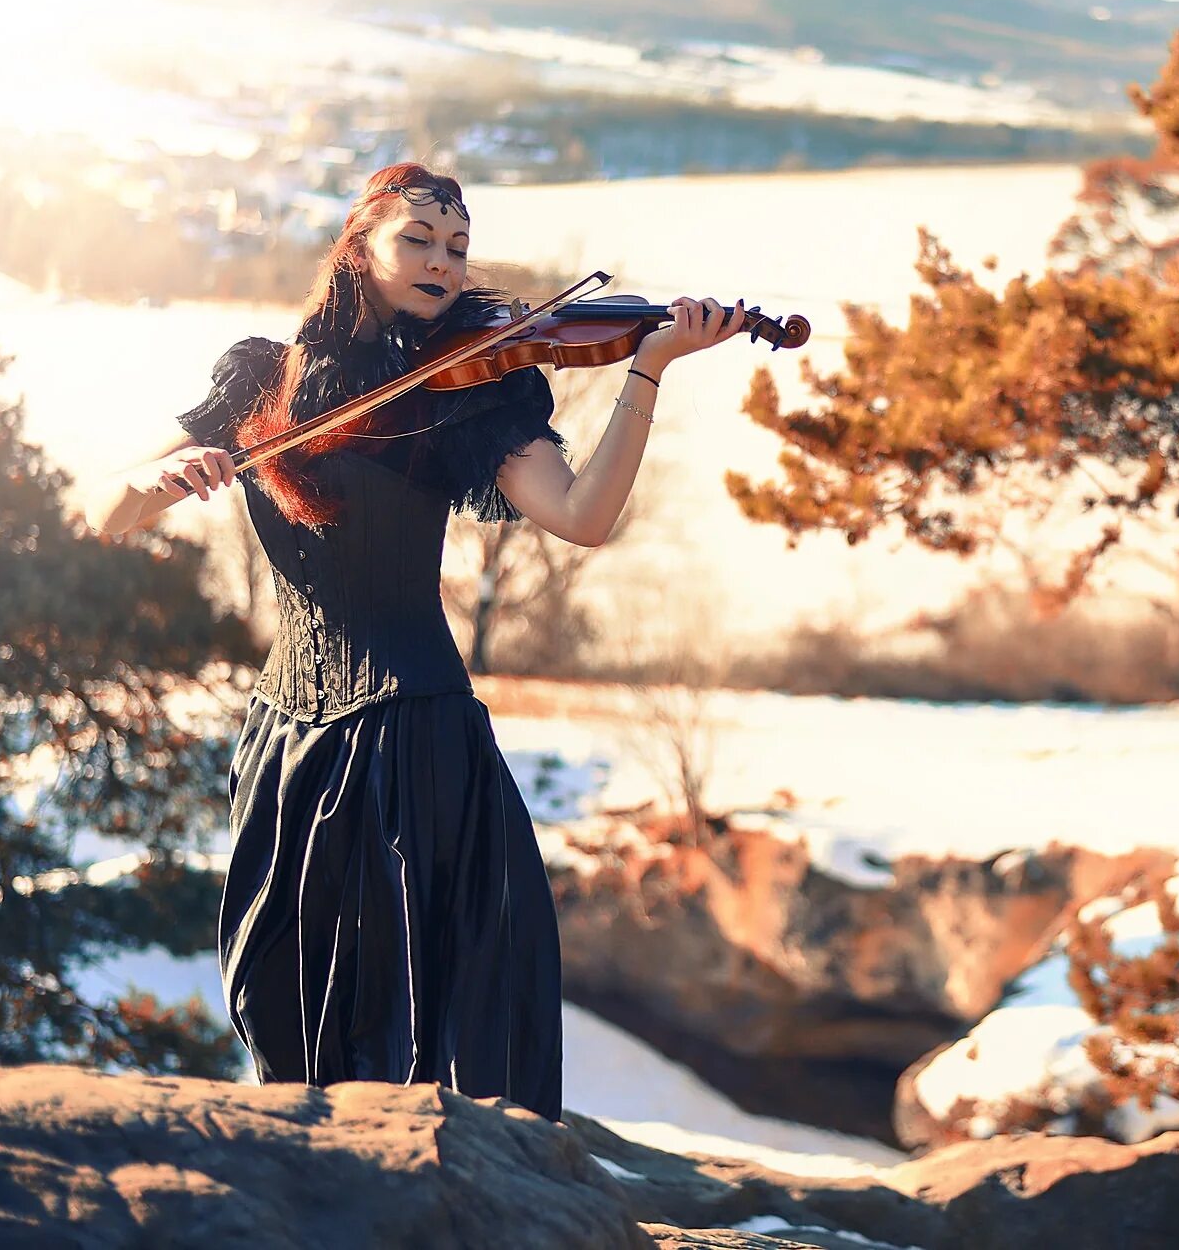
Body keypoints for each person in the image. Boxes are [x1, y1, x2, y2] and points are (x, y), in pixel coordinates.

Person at [82, 162, 747, 1120]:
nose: (443, 261)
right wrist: (165, 475)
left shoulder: (474, 388)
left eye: (458, 246)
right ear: (360, 247)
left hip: (413, 734)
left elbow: (583, 516)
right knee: (290, 1008)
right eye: (419, 240)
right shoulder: (261, 377)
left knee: (426, 1011)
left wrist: (647, 369)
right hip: (285, 741)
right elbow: (106, 513)